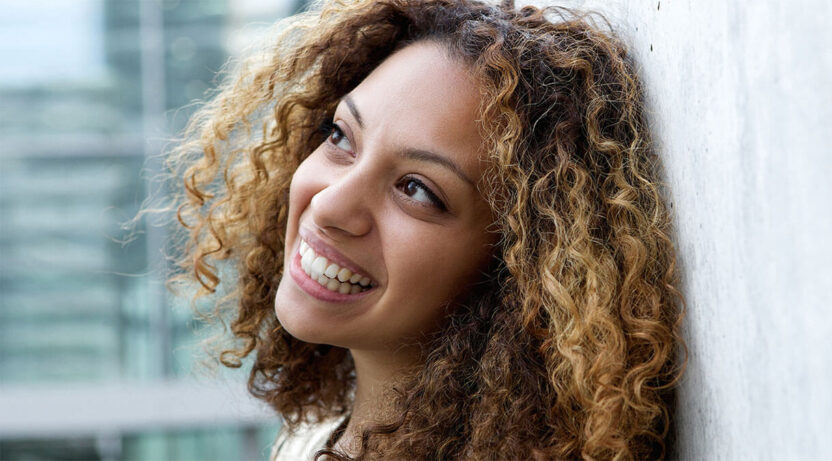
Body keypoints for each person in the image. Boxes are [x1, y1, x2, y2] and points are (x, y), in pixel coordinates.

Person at [166, 0, 682, 459]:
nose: (328, 206)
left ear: (521, 269)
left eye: (417, 189)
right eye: (340, 136)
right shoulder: (311, 439)